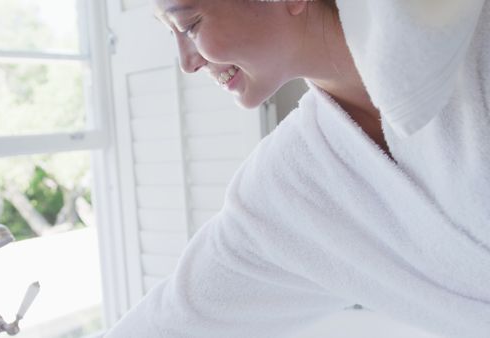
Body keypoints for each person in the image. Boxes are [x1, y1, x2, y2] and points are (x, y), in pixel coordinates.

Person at [106, 0, 490, 337]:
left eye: (190, 25)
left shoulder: (471, 38)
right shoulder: (291, 184)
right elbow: (174, 320)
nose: (187, 63)